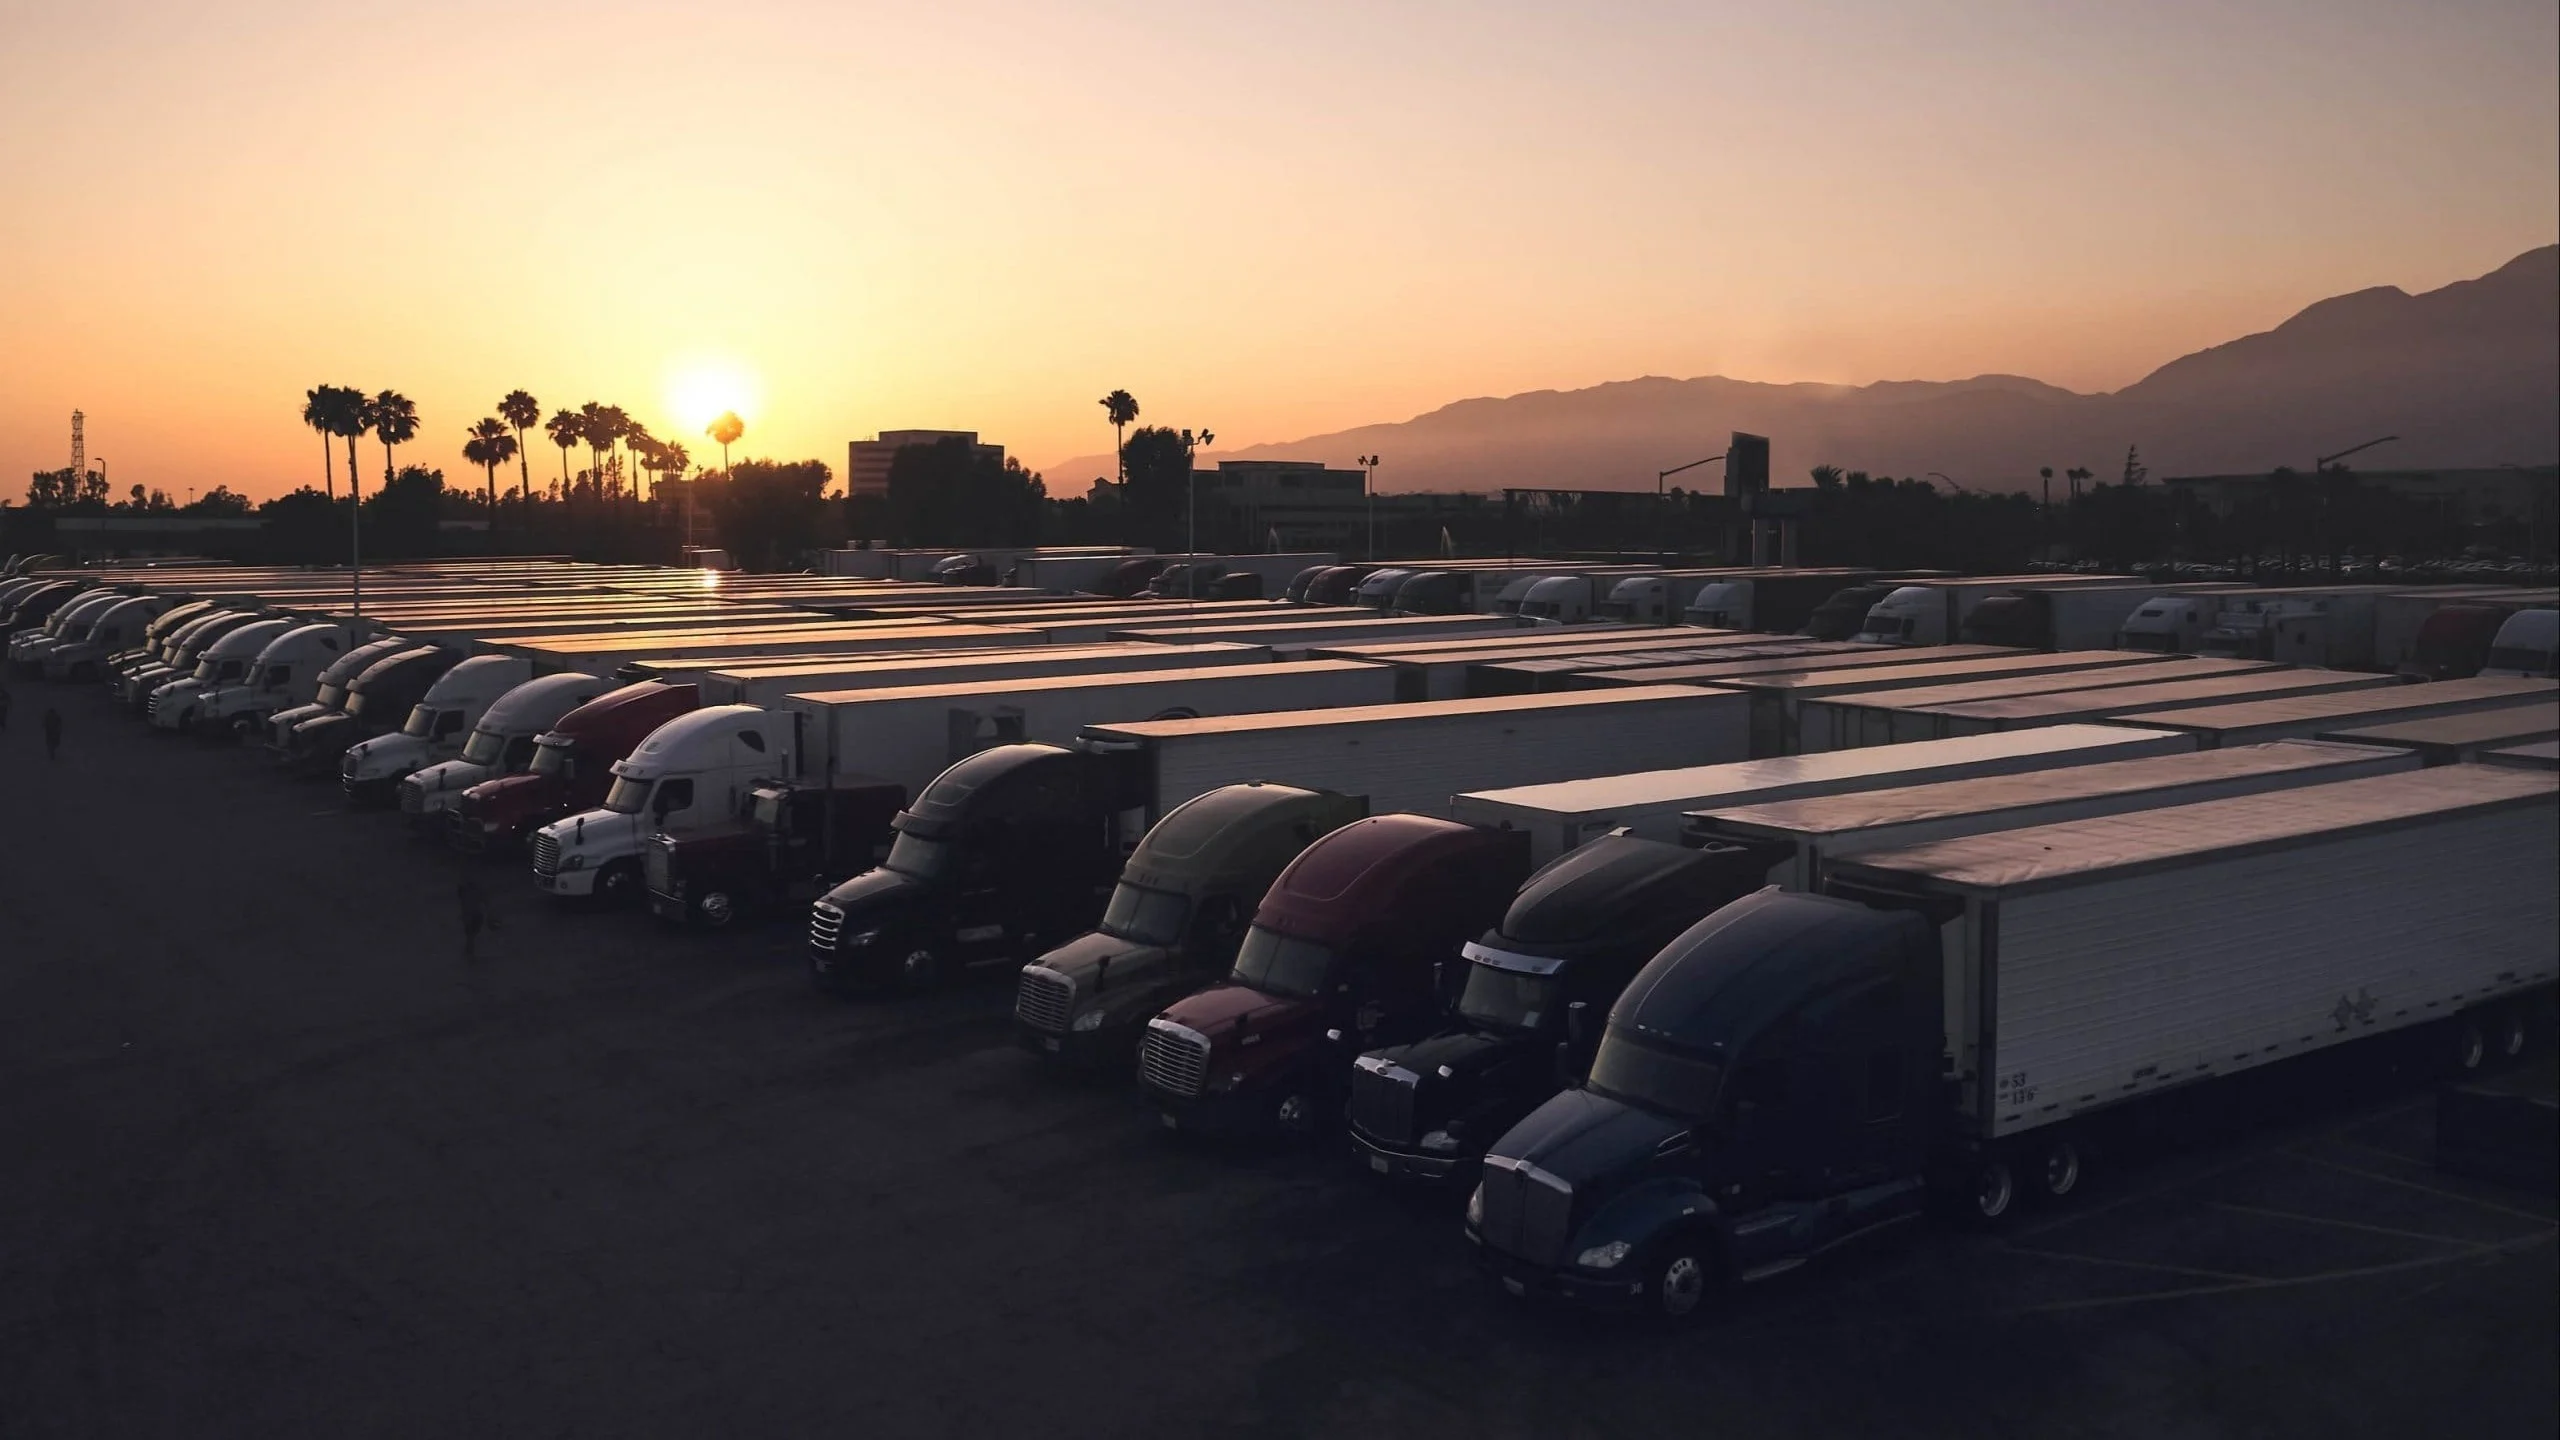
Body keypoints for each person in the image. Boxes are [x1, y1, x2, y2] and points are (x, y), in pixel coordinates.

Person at [457, 873, 495, 960]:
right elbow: (486, 901)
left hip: (470, 914)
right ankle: (470, 952)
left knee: (470, 934)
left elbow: (461, 897)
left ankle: (470, 952)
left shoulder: (465, 890)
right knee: (472, 934)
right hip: (474, 914)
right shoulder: (476, 890)